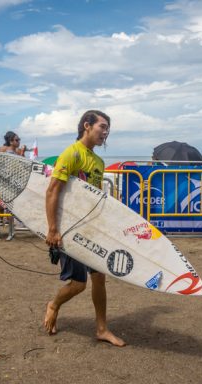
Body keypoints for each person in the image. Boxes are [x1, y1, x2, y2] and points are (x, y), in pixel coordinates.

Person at [44, 109, 126, 347]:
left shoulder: (98, 162)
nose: (106, 132)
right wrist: (52, 229)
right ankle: (54, 304)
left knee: (99, 278)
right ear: (87, 126)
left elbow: (94, 197)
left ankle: (102, 329)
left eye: (108, 128)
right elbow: (53, 190)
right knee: (78, 284)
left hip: (90, 228)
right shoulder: (71, 154)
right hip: (68, 229)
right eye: (102, 126)